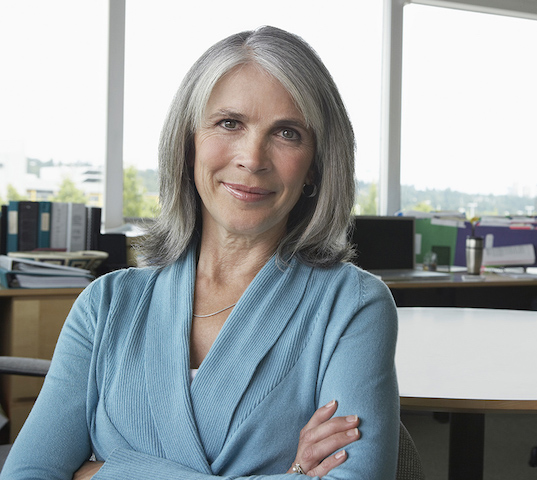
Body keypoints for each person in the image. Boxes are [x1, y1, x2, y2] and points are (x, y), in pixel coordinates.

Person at [1, 27, 400, 479]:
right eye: (229, 123)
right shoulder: (104, 304)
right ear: (188, 143)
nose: (252, 157)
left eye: (287, 133)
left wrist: (102, 473)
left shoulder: (352, 305)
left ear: (315, 167)